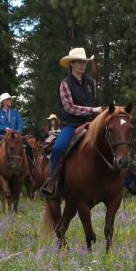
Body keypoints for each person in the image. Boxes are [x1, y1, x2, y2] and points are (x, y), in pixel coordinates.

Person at [40, 48, 102, 198]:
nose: (82, 65)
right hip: (71, 124)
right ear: (71, 64)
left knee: (113, 139)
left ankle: (125, 178)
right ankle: (52, 181)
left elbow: (92, 102)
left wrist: (98, 112)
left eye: (84, 62)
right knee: (59, 147)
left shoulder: (91, 83)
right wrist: (92, 110)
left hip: (91, 122)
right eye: (79, 62)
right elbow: (69, 107)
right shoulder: (65, 84)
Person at [0, 92, 25, 169]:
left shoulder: (15, 112)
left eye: (10, 99)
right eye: (8, 99)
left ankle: (29, 170)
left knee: (27, 147)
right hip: (1, 137)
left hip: (14, 137)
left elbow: (20, 122)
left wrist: (18, 131)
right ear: (3, 102)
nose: (10, 101)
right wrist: (5, 129)